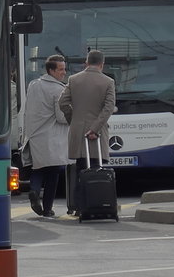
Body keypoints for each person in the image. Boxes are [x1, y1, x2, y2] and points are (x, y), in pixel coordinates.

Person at [59, 49, 117, 214]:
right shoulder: (108, 82)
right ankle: (96, 203)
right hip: (96, 134)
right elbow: (108, 108)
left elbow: (62, 103)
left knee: (80, 169)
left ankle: (79, 206)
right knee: (97, 168)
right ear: (102, 64)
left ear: (86, 62)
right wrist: (95, 128)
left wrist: (74, 120)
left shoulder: (73, 79)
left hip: (78, 131)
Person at [22, 55, 70, 217]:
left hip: (35, 135)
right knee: (54, 172)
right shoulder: (59, 90)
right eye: (61, 69)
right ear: (51, 70)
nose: (64, 72)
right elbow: (61, 117)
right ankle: (47, 208)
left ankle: (34, 191)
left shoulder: (33, 85)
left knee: (38, 168)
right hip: (52, 137)